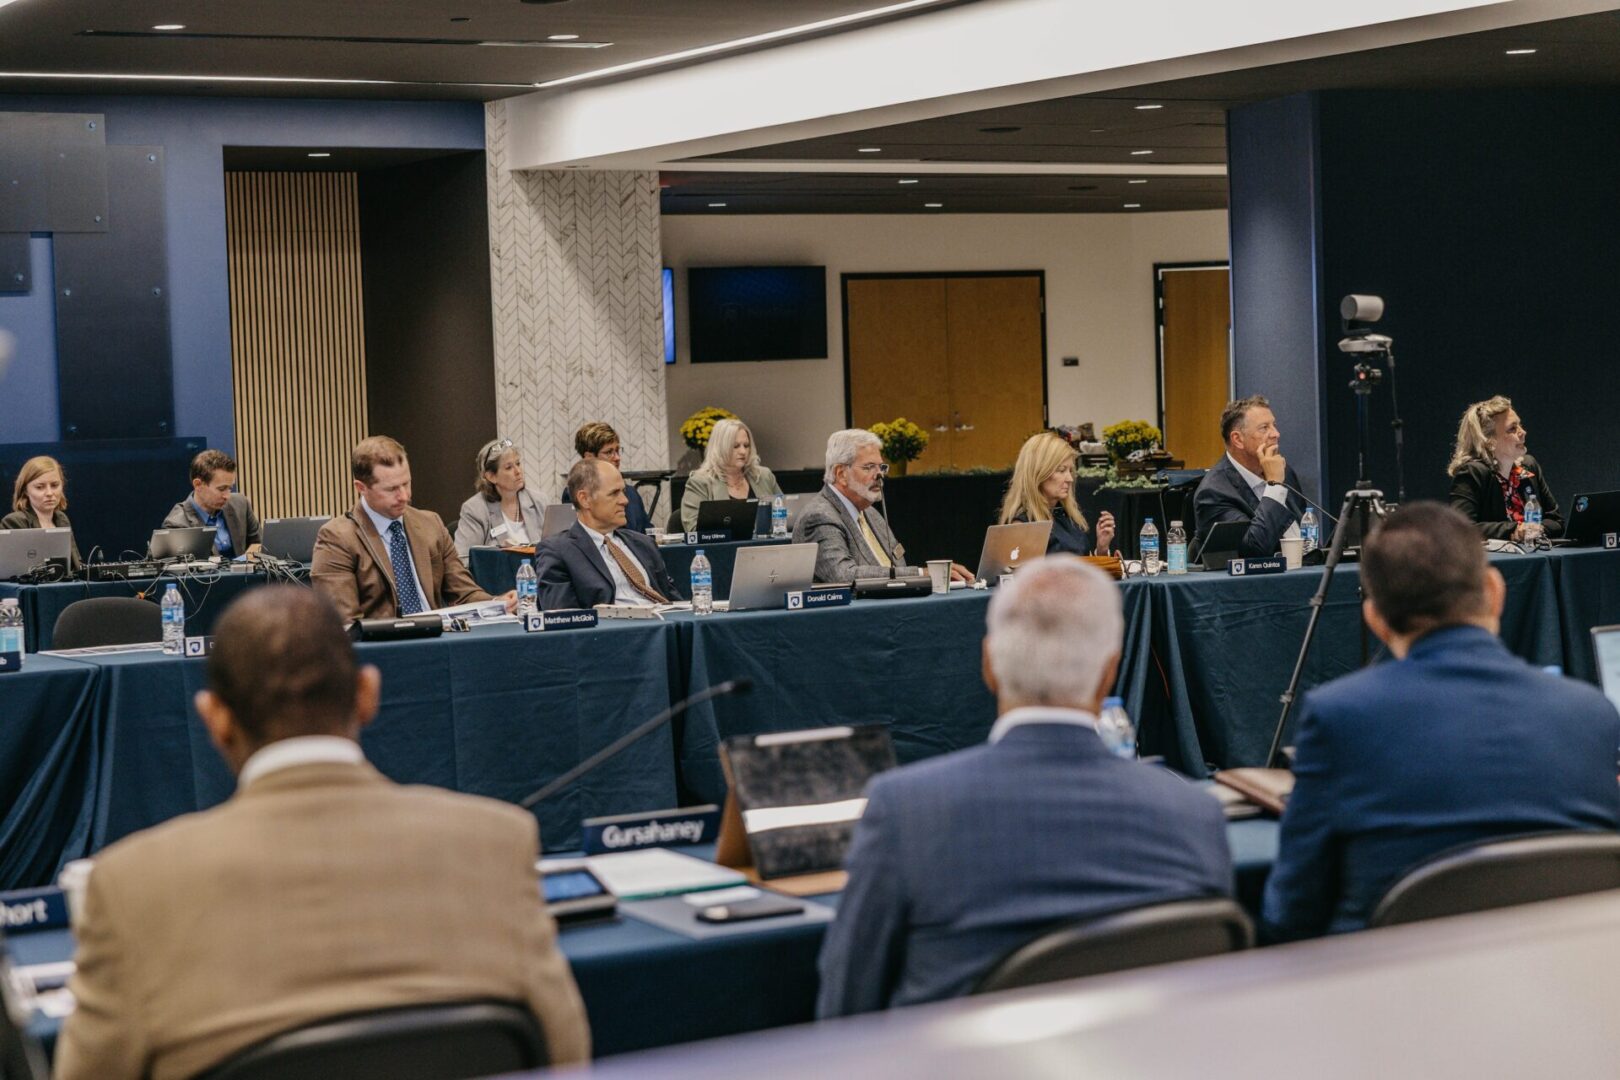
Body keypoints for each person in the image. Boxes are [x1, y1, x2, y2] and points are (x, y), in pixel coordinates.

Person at [54, 586, 589, 1080]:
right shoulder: (497, 844)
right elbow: (566, 1055)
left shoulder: (129, 884)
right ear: (367, 694)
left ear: (214, 718)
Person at [817, 556, 1232, 1016]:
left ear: (989, 666)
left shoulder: (905, 811)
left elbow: (846, 1012)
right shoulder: (1194, 813)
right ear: (1109, 673)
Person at [1262, 502, 1620, 943]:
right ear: (1495, 590)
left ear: (1374, 618)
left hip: (1386, 994)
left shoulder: (1339, 717)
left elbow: (1291, 912)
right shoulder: (1592, 715)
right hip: (1561, 992)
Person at [311, 436, 515, 622]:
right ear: (361, 488)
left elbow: (464, 593)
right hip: (383, 651)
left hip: (438, 640)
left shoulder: (430, 523)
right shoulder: (336, 538)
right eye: (391, 489)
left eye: (406, 484)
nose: (404, 496)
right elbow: (343, 624)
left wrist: (497, 602)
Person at [794, 428, 972, 584]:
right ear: (841, 474)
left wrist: (933, 575)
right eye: (869, 467)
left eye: (881, 467)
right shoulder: (819, 516)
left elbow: (896, 566)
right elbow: (843, 575)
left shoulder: (870, 513)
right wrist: (921, 574)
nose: (879, 475)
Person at [535, 458, 681, 610]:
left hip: (664, 625)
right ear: (585, 499)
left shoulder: (644, 543)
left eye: (623, 492)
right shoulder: (558, 551)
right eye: (614, 493)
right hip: (615, 630)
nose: (625, 501)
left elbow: (673, 599)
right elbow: (563, 618)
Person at [1192, 395, 1310, 559]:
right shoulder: (1214, 492)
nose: (1276, 434)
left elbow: (1307, 530)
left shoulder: (1284, 472)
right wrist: (1274, 487)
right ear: (1238, 439)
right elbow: (1254, 550)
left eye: (1274, 425)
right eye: (1264, 428)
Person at [1447, 395, 1563, 541]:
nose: (1523, 432)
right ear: (1489, 441)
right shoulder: (1473, 472)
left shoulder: (1529, 466)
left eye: (1520, 425)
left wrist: (1537, 529)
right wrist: (1513, 529)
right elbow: (1461, 529)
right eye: (1512, 429)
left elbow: (1556, 521)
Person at [999, 431, 1116, 556]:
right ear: (1038, 474)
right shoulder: (1023, 526)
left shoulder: (1066, 516)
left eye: (1070, 471)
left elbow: (1082, 568)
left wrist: (1101, 549)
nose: (1070, 479)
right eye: (1061, 470)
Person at [678, 417, 784, 532]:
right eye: (736, 446)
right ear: (720, 448)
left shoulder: (764, 476)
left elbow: (786, 515)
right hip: (722, 549)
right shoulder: (700, 482)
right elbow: (694, 529)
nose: (743, 451)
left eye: (746, 445)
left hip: (765, 548)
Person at [160, 448, 263, 559]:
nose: (227, 496)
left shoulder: (241, 504)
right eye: (222, 489)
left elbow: (260, 545)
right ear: (198, 485)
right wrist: (239, 564)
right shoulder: (176, 524)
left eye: (230, 488)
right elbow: (180, 571)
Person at [454, 437, 546, 558]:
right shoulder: (475, 510)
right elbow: (463, 559)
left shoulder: (539, 501)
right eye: (509, 467)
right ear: (491, 477)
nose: (518, 471)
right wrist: (500, 555)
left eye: (518, 463)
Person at [2, 454, 83, 570]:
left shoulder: (62, 519)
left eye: (55, 485)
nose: (49, 493)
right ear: (25, 490)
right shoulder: (14, 522)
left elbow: (76, 565)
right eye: (40, 487)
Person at [569, 421, 651, 534]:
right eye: (609, 452)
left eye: (617, 451)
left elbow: (647, 532)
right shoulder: (575, 494)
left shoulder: (631, 493)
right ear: (589, 458)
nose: (617, 458)